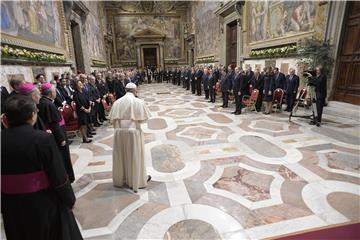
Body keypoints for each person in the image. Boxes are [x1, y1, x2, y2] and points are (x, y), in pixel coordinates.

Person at [1, 95, 82, 240]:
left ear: (6, 118)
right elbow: (58, 175)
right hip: (43, 201)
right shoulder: (43, 139)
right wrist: (69, 199)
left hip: (11, 204)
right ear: (33, 115)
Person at [109, 83, 151, 193]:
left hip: (119, 133)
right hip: (133, 133)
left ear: (125, 90)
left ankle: (122, 179)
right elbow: (143, 120)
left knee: (121, 156)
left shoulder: (117, 102)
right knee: (134, 156)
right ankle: (136, 181)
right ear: (135, 91)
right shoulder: (138, 102)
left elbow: (112, 120)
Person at [38, 83, 75, 183]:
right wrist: (61, 139)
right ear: (50, 93)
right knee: (63, 157)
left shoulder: (43, 102)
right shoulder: (48, 104)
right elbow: (54, 124)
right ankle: (68, 177)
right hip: (57, 135)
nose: (56, 94)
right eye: (54, 92)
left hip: (53, 134)